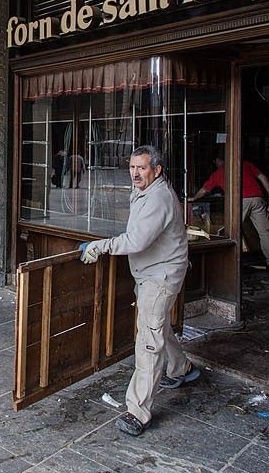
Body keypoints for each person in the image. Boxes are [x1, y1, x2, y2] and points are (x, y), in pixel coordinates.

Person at [80, 145, 197, 437]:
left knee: (148, 340)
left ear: (156, 170)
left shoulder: (158, 197)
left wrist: (100, 246)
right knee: (157, 326)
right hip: (149, 273)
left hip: (160, 276)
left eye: (141, 168)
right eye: (132, 167)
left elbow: (137, 241)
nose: (134, 173)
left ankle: (138, 412)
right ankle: (182, 368)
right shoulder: (145, 191)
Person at [191, 157, 269, 274]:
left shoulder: (219, 172)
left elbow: (204, 190)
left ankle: (230, 263)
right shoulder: (245, 164)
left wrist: (193, 198)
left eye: (215, 162)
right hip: (258, 198)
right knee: (265, 232)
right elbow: (263, 177)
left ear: (218, 161)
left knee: (232, 231)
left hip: (242, 200)